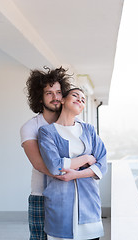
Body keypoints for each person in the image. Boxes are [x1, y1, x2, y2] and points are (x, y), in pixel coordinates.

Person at [20, 67, 97, 240]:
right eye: (49, 93)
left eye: (58, 92)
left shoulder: (79, 124)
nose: (55, 97)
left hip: (77, 193)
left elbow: (96, 158)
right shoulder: (31, 127)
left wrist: (74, 176)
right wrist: (66, 175)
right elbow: (39, 164)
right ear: (39, 98)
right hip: (42, 195)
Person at [38, 88, 107, 240]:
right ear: (63, 100)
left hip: (89, 204)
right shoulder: (47, 132)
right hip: (60, 207)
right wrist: (86, 159)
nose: (80, 100)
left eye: (83, 100)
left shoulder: (88, 130)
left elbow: (102, 162)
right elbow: (55, 166)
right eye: (75, 96)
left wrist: (76, 174)